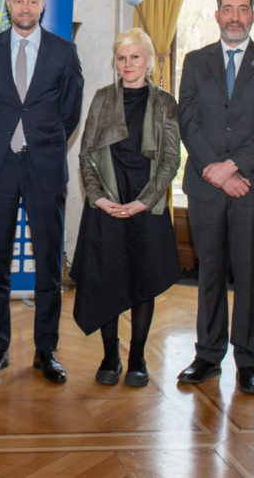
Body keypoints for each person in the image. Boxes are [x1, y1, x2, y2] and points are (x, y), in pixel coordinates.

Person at [176, 0, 254, 395]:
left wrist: (233, 167)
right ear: (217, 15)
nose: (235, 17)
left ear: (253, 15)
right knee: (209, 273)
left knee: (248, 275)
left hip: (253, 187)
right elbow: (187, 120)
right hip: (206, 186)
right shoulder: (195, 60)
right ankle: (207, 355)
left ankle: (246, 360)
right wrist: (216, 171)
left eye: (243, 9)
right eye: (228, 9)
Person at [0, 0, 83, 384]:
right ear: (7, 3)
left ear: (43, 4)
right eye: (17, 0)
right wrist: (6, 140)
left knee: (48, 263)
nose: (25, 8)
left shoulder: (64, 51)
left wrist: (43, 141)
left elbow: (71, 112)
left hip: (45, 167)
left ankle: (46, 350)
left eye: (32, 1)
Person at [71, 28, 181, 388]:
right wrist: (98, 198)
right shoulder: (103, 98)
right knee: (107, 280)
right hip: (106, 205)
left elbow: (170, 160)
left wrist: (143, 202)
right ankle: (110, 356)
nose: (128, 64)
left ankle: (137, 357)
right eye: (122, 58)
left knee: (142, 280)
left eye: (135, 57)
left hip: (147, 206)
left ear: (148, 61)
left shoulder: (165, 103)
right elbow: (86, 154)